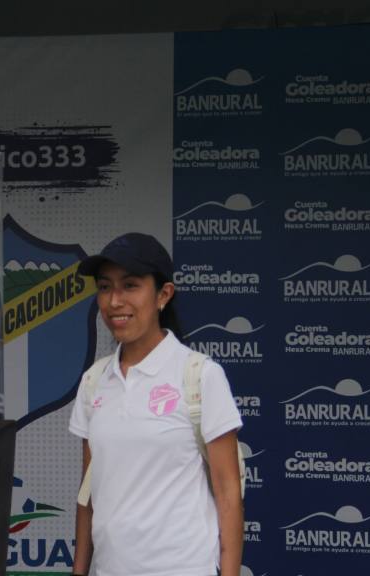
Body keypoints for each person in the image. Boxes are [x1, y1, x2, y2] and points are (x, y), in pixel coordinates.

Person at [68, 233, 243, 576]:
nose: (114, 301)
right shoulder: (93, 381)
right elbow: (88, 491)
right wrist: (79, 571)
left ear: (163, 294)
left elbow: (228, 493)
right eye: (105, 287)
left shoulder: (200, 375)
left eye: (130, 285)